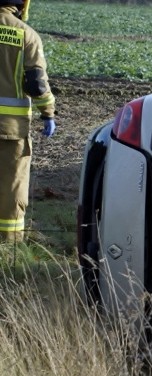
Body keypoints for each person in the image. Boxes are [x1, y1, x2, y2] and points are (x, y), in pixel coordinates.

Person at [0, 0, 55, 243]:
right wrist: (48, 113)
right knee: (12, 186)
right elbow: (36, 83)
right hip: (11, 129)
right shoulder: (26, 35)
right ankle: (9, 242)